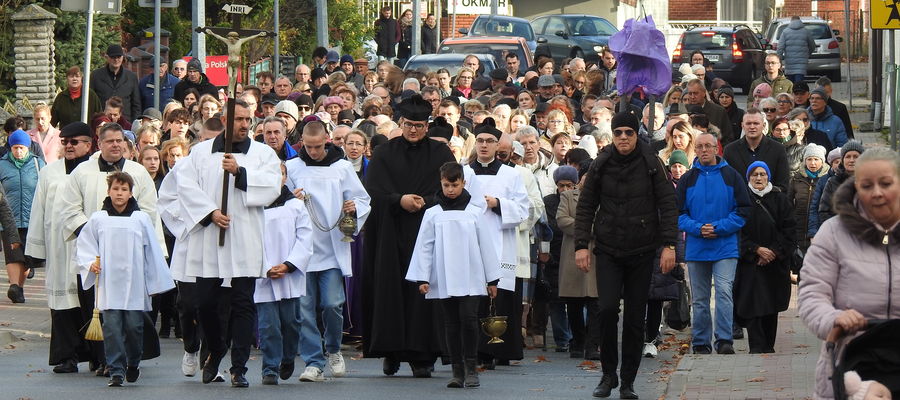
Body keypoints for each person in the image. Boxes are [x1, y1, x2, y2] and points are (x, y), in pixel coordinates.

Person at [174, 99, 281, 387]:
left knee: (243, 303)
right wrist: (209, 213)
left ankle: (239, 368)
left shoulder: (262, 154)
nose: (246, 125)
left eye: (249, 120)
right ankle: (217, 348)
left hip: (245, 236)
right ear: (225, 120)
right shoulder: (199, 153)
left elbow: (273, 186)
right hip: (210, 236)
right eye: (240, 119)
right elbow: (184, 187)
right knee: (204, 303)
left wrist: (241, 173)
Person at [575, 112, 677, 400]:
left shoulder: (651, 162)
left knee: (635, 318)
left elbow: (668, 204)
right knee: (606, 310)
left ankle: (629, 381)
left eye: (628, 133)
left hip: (642, 250)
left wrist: (669, 245)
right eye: (618, 132)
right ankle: (608, 374)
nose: (623, 137)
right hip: (607, 248)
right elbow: (585, 205)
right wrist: (581, 245)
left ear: (636, 135)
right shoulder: (602, 162)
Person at [362, 95, 456, 377]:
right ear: (400, 123)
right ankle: (391, 352)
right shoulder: (384, 153)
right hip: (390, 233)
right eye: (408, 124)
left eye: (418, 125)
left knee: (422, 294)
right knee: (390, 291)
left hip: (426, 233)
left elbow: (451, 188)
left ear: (426, 126)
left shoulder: (441, 155)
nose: (413, 130)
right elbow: (372, 191)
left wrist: (426, 202)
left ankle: (422, 354)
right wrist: (398, 200)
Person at [798, 147, 900, 399]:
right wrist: (834, 319)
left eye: (886, 183)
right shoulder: (833, 233)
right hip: (852, 362)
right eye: (866, 186)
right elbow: (812, 294)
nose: (877, 193)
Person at [286, 121, 371, 382]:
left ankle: (333, 349)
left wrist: (353, 207)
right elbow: (279, 202)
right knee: (304, 308)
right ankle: (313, 361)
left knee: (333, 304)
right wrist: (292, 199)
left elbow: (362, 198)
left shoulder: (342, 168)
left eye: (318, 146)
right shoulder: (293, 168)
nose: (312, 152)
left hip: (332, 247)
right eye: (308, 147)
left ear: (328, 139)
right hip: (302, 249)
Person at [406, 162, 501, 388]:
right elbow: (424, 246)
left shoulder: (475, 211)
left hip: (472, 274)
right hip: (444, 275)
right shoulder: (433, 213)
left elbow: (486, 245)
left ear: (463, 183)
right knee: (451, 323)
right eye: (446, 185)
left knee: (468, 319)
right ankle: (456, 370)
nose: (450, 189)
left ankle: (471, 368)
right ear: (441, 183)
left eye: (454, 185)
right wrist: (423, 277)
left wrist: (493, 279)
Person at [75, 171, 174, 387]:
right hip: (109, 283)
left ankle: (133, 363)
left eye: (124, 189)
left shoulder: (141, 219)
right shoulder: (98, 219)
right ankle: (116, 370)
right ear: (109, 191)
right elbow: (85, 244)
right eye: (115, 189)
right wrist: (90, 262)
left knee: (133, 327)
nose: (119, 193)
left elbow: (152, 252)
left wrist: (154, 282)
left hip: (135, 284)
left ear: (130, 193)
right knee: (111, 328)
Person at [25, 122, 101, 371]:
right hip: (59, 246)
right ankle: (67, 357)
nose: (68, 146)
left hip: (89, 247)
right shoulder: (50, 172)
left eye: (74, 142)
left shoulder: (97, 172)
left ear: (88, 144)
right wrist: (34, 251)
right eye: (65, 141)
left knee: (91, 304)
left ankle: (97, 356)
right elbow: (39, 210)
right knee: (63, 305)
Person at [462, 120, 530, 367]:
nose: (483, 145)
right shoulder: (464, 172)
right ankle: (476, 350)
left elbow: (524, 209)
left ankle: (497, 350)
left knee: (498, 297)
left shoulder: (511, 174)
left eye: (489, 141)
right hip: (472, 241)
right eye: (480, 140)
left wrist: (498, 204)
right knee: (474, 297)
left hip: (500, 240)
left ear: (497, 145)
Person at [676, 133, 751, 355]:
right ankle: (700, 341)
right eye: (700, 146)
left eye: (708, 146)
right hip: (697, 247)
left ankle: (724, 339)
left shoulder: (732, 176)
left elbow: (743, 210)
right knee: (699, 298)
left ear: (717, 148)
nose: (704, 150)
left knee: (724, 292)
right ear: (695, 150)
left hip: (725, 245)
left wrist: (718, 228)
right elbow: (678, 213)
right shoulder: (688, 179)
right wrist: (698, 228)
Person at [254, 163, 313, 385]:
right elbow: (249, 239)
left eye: (279, 173)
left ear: (285, 177)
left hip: (290, 274)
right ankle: (270, 367)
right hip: (265, 274)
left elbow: (305, 238)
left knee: (291, 323)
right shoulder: (254, 207)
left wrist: (289, 265)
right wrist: (265, 267)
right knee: (268, 326)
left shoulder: (295, 207)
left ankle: (287, 357)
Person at [735, 161, 796, 353]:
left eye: (762, 174)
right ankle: (756, 347)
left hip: (775, 263)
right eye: (754, 175)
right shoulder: (741, 200)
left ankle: (768, 346)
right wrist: (755, 250)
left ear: (768, 176)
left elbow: (789, 230)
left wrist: (773, 252)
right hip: (750, 262)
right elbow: (736, 230)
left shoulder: (781, 199)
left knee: (771, 305)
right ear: (748, 178)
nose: (759, 178)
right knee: (752, 304)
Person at [553, 165, 600, 359]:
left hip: (597, 255)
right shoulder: (567, 197)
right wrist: (588, 228)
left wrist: (592, 228)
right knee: (573, 302)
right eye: (586, 176)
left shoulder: (605, 196)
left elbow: (607, 220)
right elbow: (562, 220)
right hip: (573, 254)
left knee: (596, 302)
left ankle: (592, 344)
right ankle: (577, 342)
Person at [0, 130, 45, 302]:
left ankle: (19, 288)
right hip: (8, 219)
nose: (18, 151)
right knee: (13, 255)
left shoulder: (38, 164)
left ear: (28, 147)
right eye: (15, 148)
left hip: (31, 218)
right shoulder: (2, 165)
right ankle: (13, 285)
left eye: (21, 148)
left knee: (26, 257)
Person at [724, 110, 791, 191]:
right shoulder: (730, 150)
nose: (752, 127)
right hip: (740, 201)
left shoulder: (778, 149)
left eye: (756, 123)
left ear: (763, 125)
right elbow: (726, 182)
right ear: (742, 125)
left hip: (769, 201)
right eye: (748, 123)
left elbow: (783, 184)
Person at [787, 144, 829, 259]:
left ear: (822, 161)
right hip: (799, 228)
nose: (813, 163)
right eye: (809, 159)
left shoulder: (828, 180)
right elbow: (788, 204)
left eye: (816, 159)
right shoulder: (796, 179)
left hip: (820, 231)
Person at [817, 140, 865, 225]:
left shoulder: (870, 182)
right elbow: (824, 211)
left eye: (856, 156)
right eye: (848, 157)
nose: (851, 160)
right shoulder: (832, 182)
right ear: (842, 160)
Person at [90, 45, 141, 120]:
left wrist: (134, 124)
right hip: (102, 122)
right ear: (107, 58)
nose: (116, 60)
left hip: (125, 123)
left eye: (119, 57)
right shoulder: (95, 76)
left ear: (123, 57)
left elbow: (136, 105)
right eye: (113, 57)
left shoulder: (131, 77)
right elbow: (90, 102)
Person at [684, 79, 735, 145]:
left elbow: (728, 137)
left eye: (695, 93)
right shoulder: (684, 111)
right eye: (690, 93)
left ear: (704, 93)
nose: (692, 97)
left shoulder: (719, 111)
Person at [777, 16, 816, 83]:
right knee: (799, 84)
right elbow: (812, 45)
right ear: (799, 21)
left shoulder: (785, 32)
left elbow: (780, 47)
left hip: (789, 62)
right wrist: (807, 54)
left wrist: (779, 60)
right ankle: (799, 92)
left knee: (790, 84)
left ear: (791, 21)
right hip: (801, 63)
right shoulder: (805, 31)